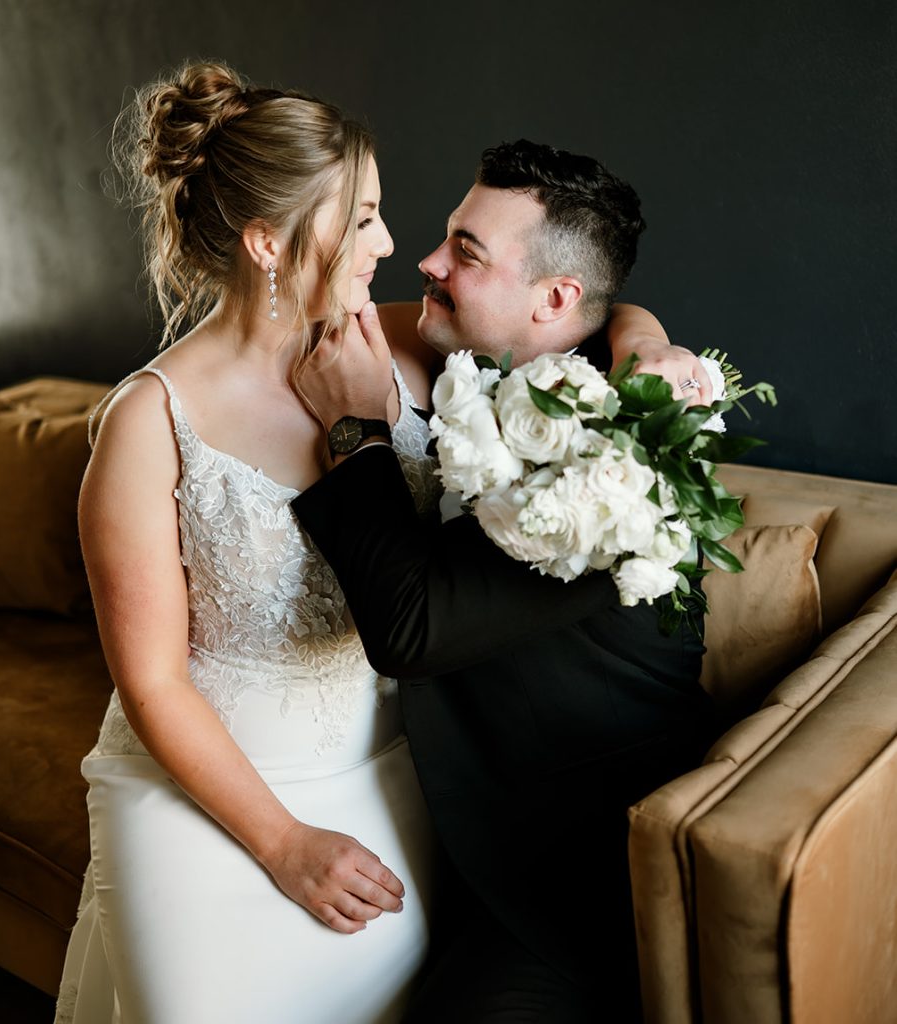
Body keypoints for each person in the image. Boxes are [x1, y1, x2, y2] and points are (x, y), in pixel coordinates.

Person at [53, 62, 700, 1024]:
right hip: (220, 791)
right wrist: (282, 843)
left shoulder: (394, 343)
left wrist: (644, 338)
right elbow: (150, 684)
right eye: (363, 220)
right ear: (269, 242)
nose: (395, 247)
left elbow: (562, 323)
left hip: (393, 773)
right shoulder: (150, 423)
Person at [291, 140, 720, 1022]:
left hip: (572, 884)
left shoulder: (618, 470)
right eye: (450, 237)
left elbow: (410, 629)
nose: (428, 262)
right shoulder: (550, 358)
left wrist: (355, 430)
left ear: (556, 299)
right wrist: (641, 326)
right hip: (444, 819)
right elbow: (609, 308)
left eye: (467, 254)